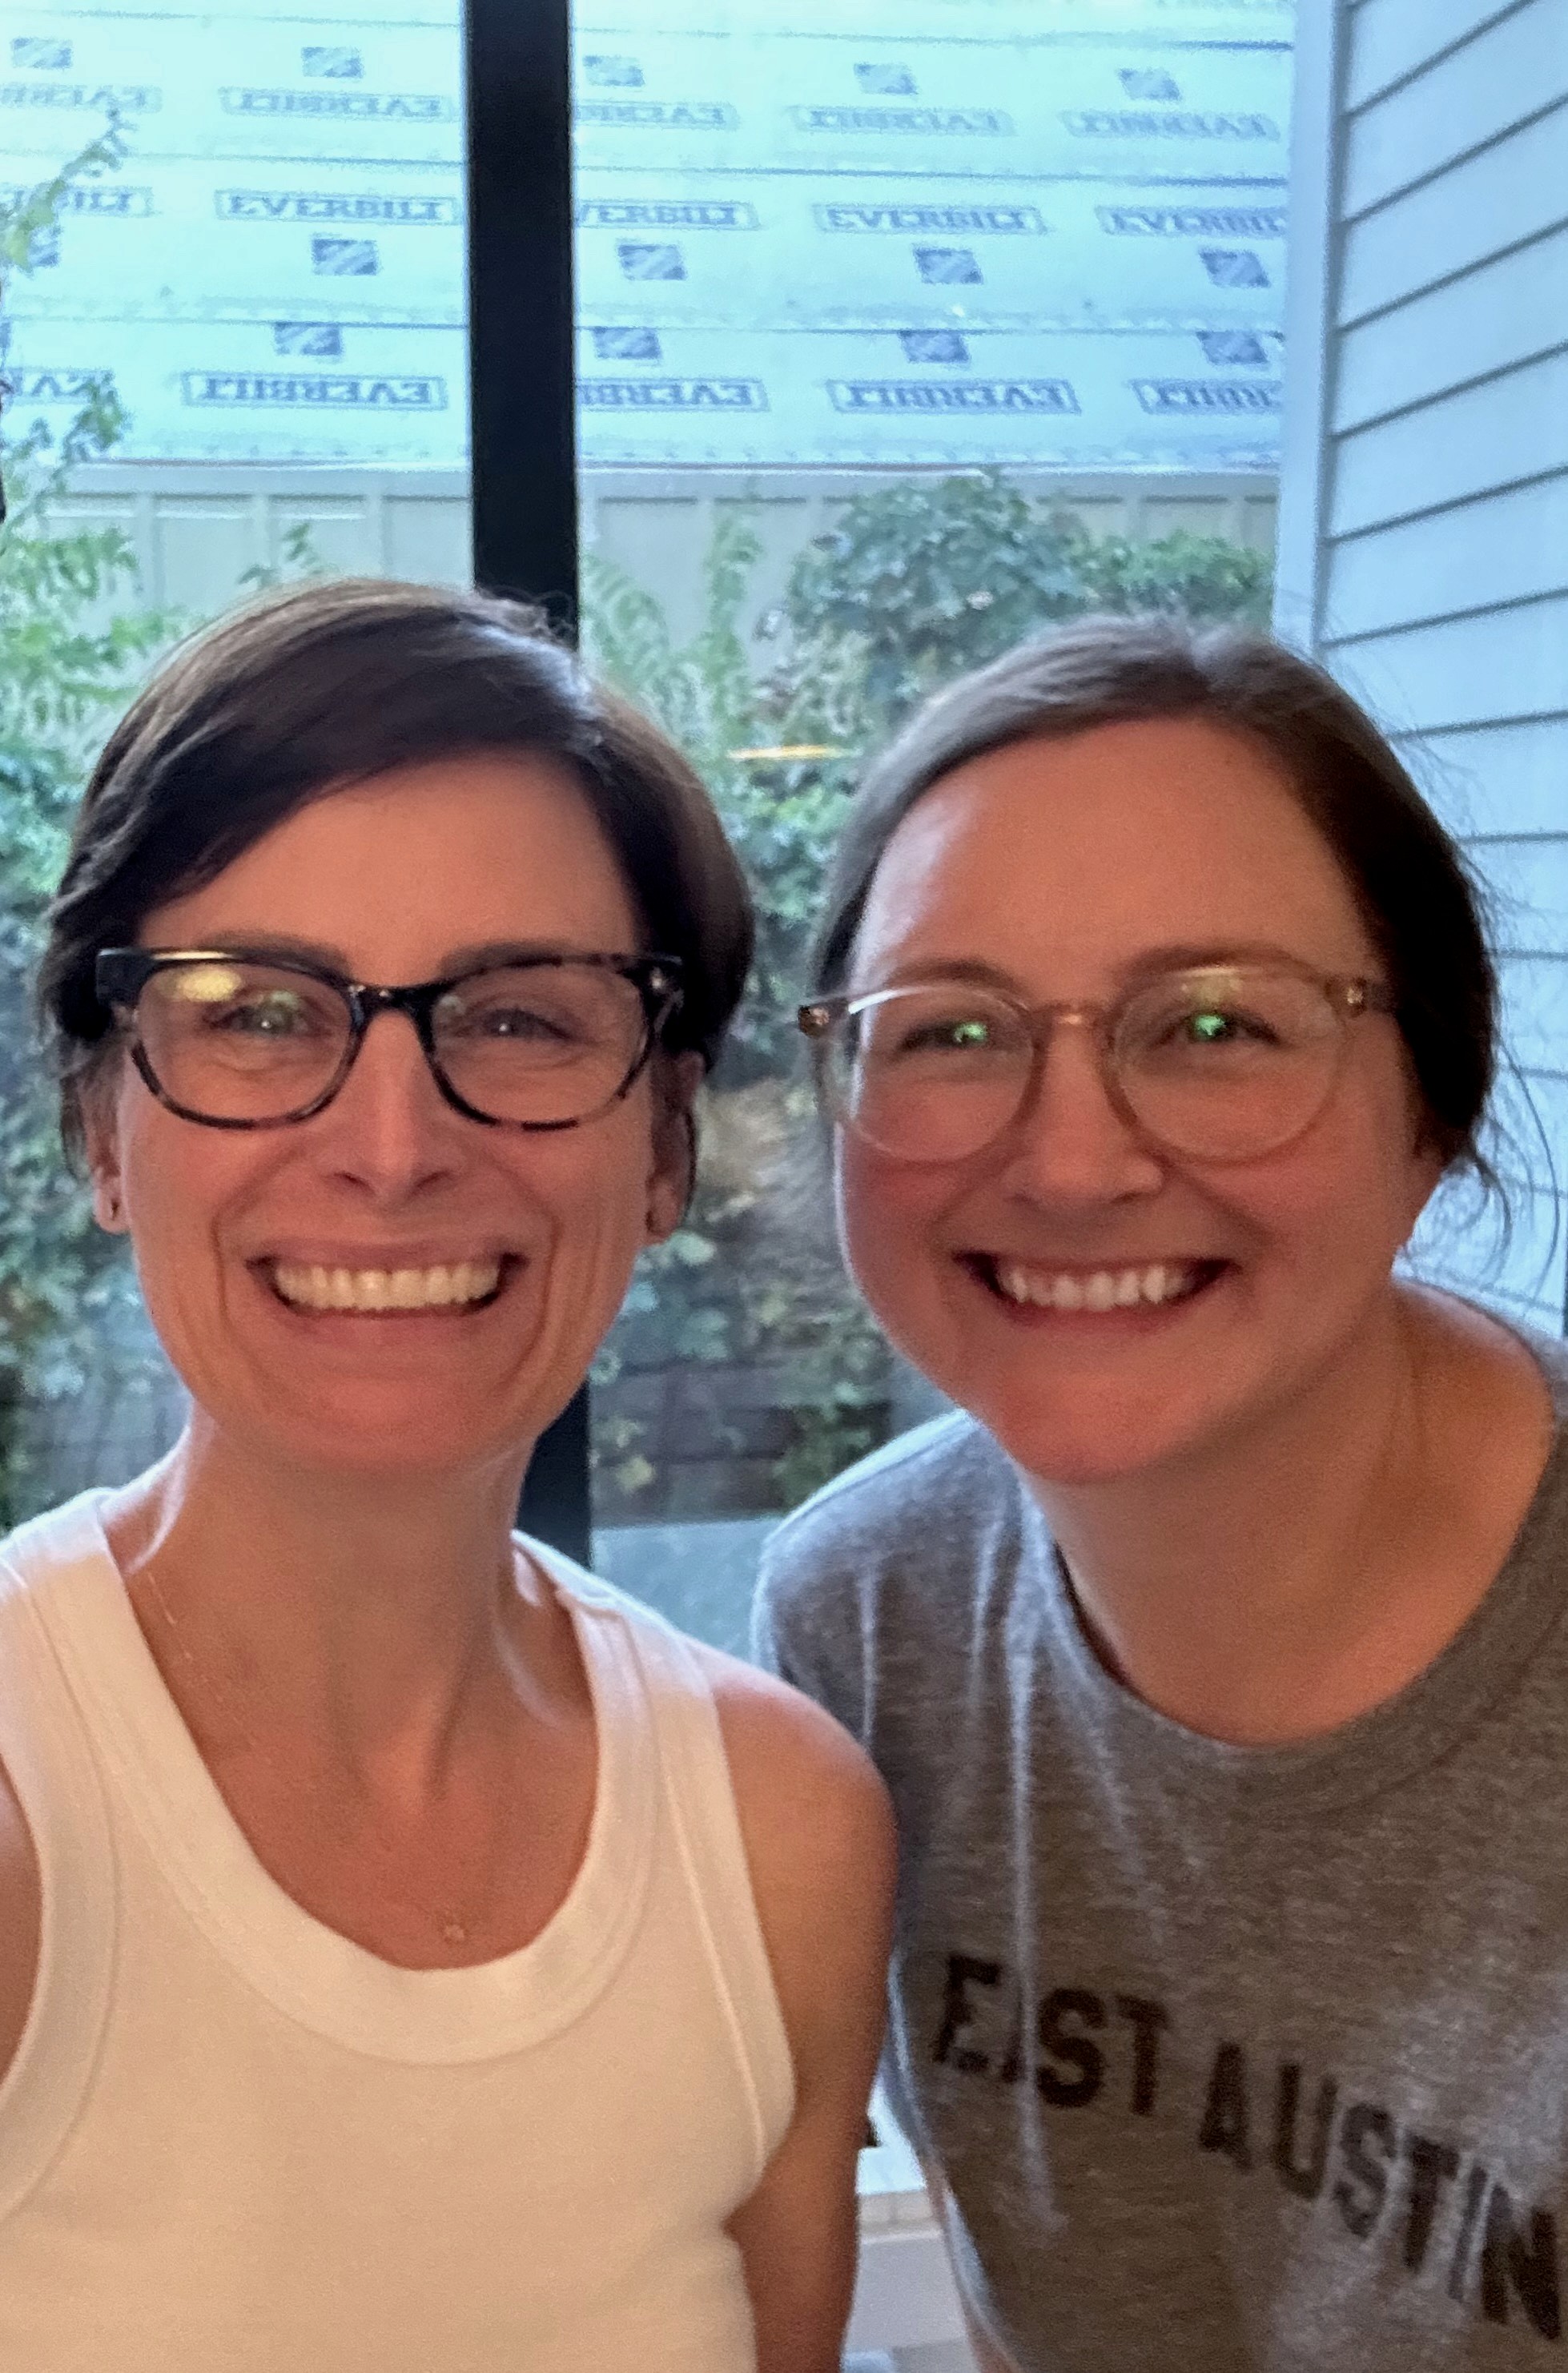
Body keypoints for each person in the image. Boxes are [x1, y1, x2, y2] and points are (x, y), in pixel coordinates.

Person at [0, 576, 894, 2371]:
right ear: (107, 1126)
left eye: (518, 1016)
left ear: (661, 1144)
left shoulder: (783, 1834)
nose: (392, 1147)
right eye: (255, 1013)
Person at [754, 613, 1568, 2373]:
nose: (1067, 1158)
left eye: (1211, 1024)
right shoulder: (866, 1621)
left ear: (1432, 1105)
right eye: (951, 1032)